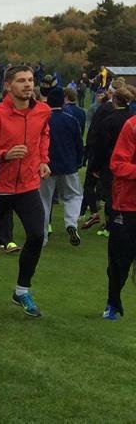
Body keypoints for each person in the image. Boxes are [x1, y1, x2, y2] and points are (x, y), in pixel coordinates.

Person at [0, 65, 52, 318]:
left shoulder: (43, 112)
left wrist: (44, 159)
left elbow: (44, 134)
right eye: (21, 80)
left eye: (30, 80)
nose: (27, 84)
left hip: (27, 186)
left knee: (36, 235)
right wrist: (5, 155)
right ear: (7, 86)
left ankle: (22, 290)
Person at [104, 88, 136, 320]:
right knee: (120, 261)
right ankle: (113, 302)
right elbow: (117, 164)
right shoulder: (132, 126)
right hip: (128, 206)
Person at [42, 87, 87, 246]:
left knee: (44, 200)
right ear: (63, 100)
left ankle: (42, 237)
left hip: (46, 165)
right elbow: (78, 143)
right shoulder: (70, 119)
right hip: (68, 165)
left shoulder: (43, 119)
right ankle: (71, 223)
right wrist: (78, 161)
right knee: (74, 196)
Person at [83, 88, 115, 229]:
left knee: (90, 185)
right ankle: (109, 222)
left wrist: (89, 150)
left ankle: (96, 214)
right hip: (116, 156)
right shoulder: (127, 115)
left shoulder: (103, 109)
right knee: (111, 190)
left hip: (101, 154)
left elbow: (94, 131)